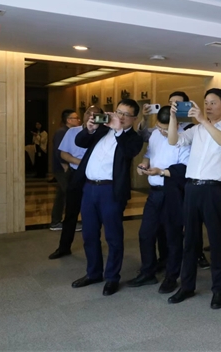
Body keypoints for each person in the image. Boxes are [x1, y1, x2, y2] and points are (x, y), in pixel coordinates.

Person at [166, 88, 221, 309]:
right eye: (206, 102)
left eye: (213, 103)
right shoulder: (196, 129)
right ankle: (187, 286)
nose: (208, 106)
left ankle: (218, 289)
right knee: (190, 240)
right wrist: (173, 118)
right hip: (192, 188)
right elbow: (173, 141)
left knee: (217, 241)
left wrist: (203, 121)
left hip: (214, 190)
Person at [70, 99, 144, 296]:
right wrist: (89, 129)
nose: (120, 116)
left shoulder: (133, 138)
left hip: (110, 191)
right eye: (118, 112)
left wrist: (119, 130)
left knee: (113, 236)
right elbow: (80, 142)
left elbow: (129, 152)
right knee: (89, 234)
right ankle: (93, 273)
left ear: (134, 118)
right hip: (89, 188)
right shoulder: (102, 130)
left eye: (126, 114)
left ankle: (112, 277)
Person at [127, 106, 191, 294]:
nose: (162, 132)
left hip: (172, 192)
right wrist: (143, 164)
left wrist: (161, 172)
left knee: (173, 237)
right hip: (154, 193)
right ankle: (148, 272)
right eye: (160, 128)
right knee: (145, 233)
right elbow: (148, 154)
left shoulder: (184, 139)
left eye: (166, 129)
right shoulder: (154, 134)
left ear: (176, 125)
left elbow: (185, 169)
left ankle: (171, 277)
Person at [48, 106, 102, 259]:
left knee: (93, 214)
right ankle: (64, 247)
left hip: (95, 176)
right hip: (76, 174)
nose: (91, 116)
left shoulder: (102, 132)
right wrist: (80, 162)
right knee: (71, 212)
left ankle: (93, 247)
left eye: (95, 114)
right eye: (88, 113)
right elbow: (63, 153)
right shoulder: (72, 132)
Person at [50, 110, 81, 231]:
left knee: (61, 195)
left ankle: (56, 222)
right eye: (76, 118)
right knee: (69, 195)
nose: (78, 120)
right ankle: (70, 223)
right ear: (68, 120)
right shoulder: (62, 132)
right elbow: (59, 151)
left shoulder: (71, 131)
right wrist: (65, 165)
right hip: (63, 169)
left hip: (66, 168)